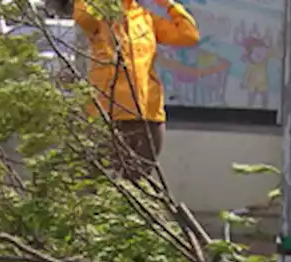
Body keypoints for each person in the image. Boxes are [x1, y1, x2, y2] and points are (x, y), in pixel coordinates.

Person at [72, 0, 200, 181]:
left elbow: (189, 35)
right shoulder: (99, 15)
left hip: (148, 114)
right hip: (109, 114)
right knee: (105, 184)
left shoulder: (146, 18)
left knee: (139, 182)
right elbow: (82, 16)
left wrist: (168, 4)